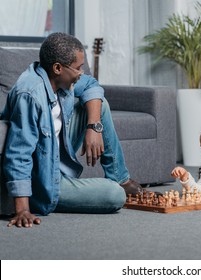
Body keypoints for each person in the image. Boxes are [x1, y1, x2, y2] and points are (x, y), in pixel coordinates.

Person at [0, 32, 145, 228]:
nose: (81, 73)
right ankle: (112, 188)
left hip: (55, 156)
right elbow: (18, 153)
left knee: (99, 106)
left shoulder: (59, 79)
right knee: (114, 195)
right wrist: (23, 209)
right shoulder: (30, 94)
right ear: (58, 68)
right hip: (43, 180)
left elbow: (92, 85)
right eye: (78, 68)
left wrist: (94, 127)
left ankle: (120, 178)